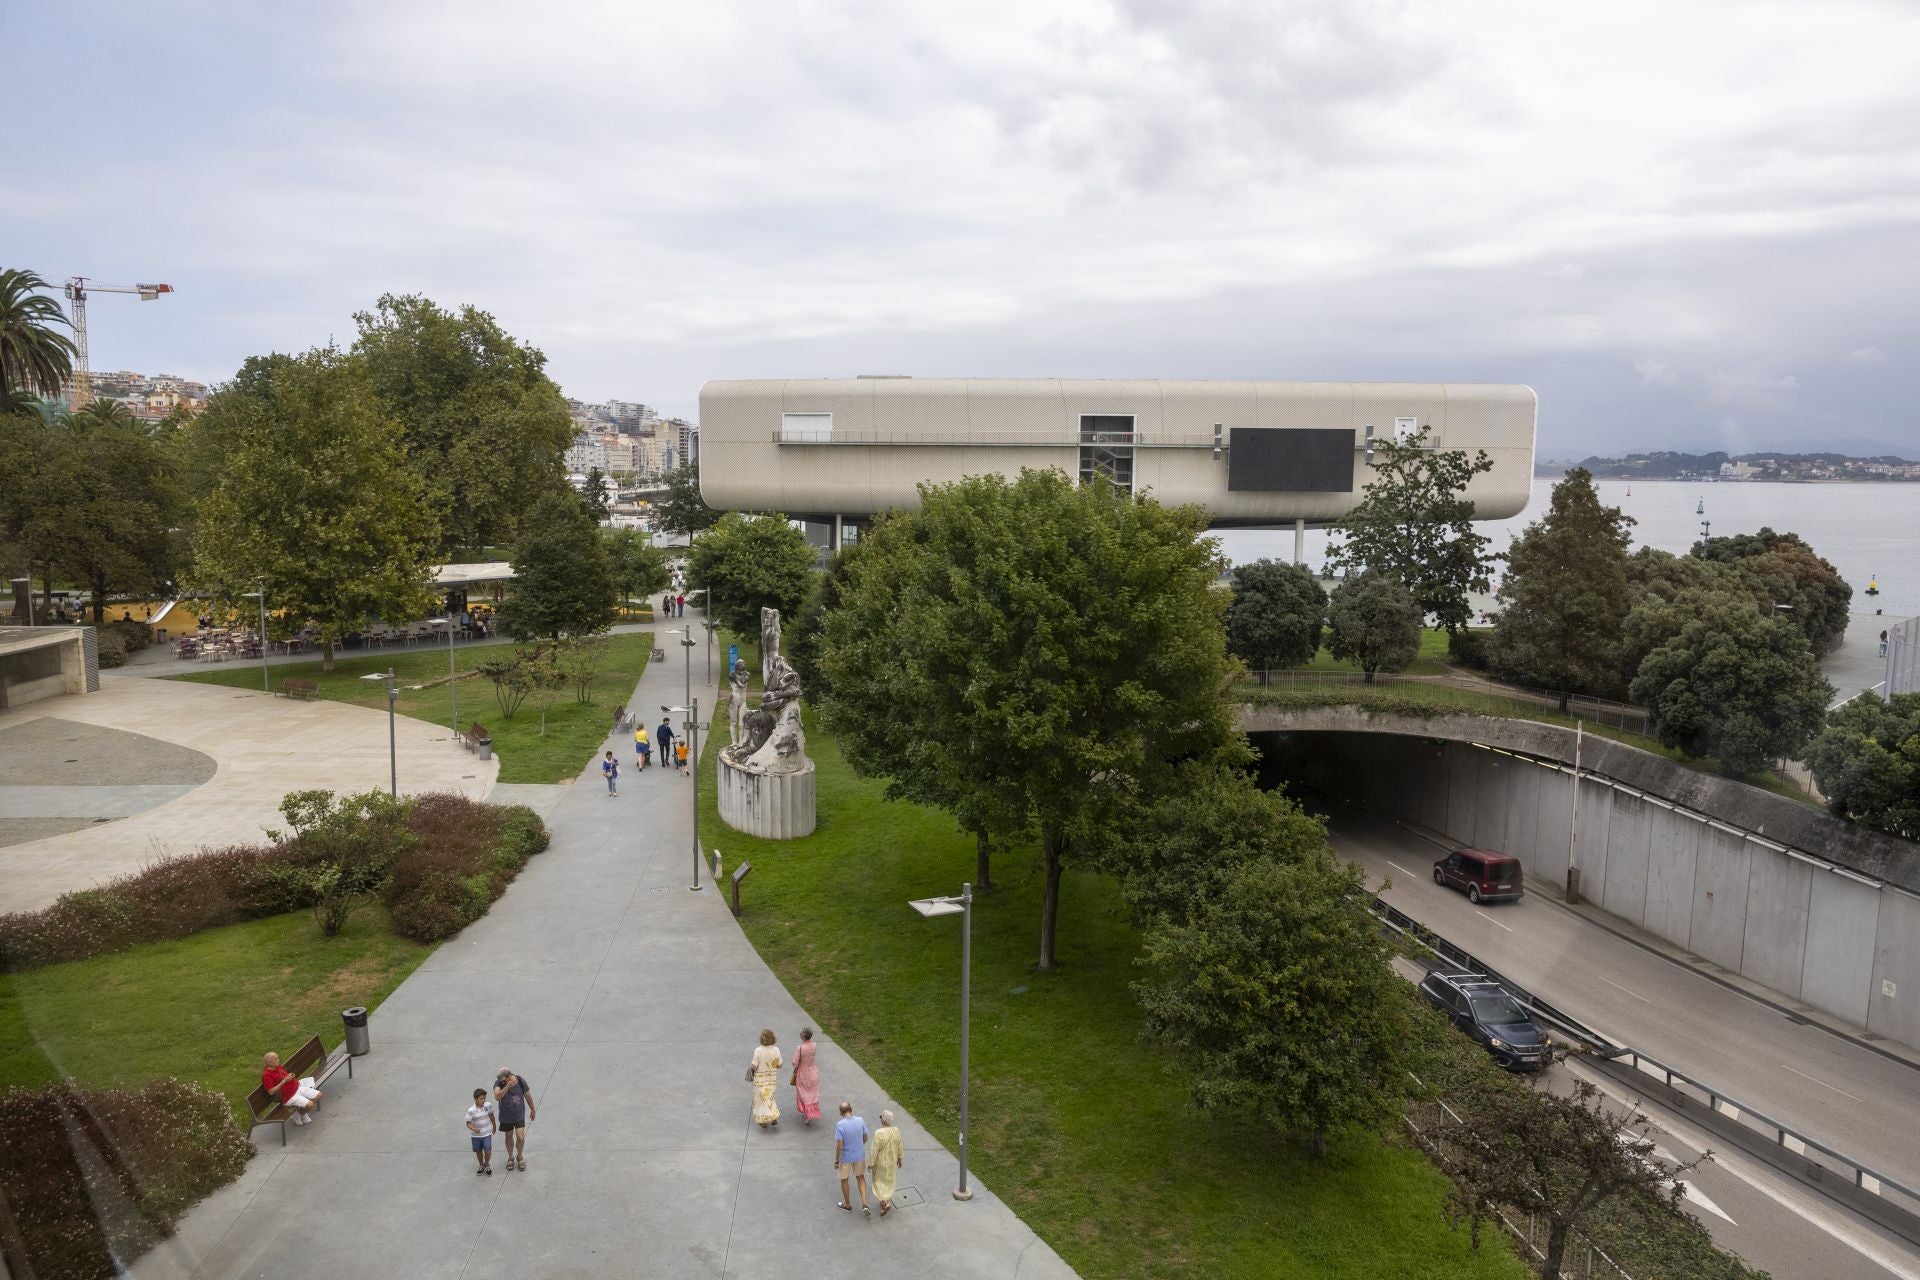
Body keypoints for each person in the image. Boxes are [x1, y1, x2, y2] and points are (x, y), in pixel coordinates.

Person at [261, 1051, 322, 1125]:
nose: (278, 1059)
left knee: (319, 1095)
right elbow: (271, 1092)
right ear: (269, 1062)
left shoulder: (277, 1066)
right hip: (288, 1097)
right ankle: (299, 1114)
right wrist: (284, 1081)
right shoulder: (266, 1075)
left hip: (297, 1088)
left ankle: (300, 1113)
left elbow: (284, 1076)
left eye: (277, 1057)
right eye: (276, 1059)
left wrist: (291, 1076)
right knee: (310, 1105)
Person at [833, 1101, 872, 1216]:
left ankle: (848, 1205)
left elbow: (839, 1146)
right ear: (851, 1110)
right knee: (860, 1177)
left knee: (844, 1180)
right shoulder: (861, 1120)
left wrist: (836, 1160)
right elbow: (865, 1138)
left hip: (846, 1157)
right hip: (859, 1155)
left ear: (841, 1113)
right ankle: (865, 1203)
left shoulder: (840, 1125)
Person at [493, 1068, 535, 1171]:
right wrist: (507, 1086)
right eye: (502, 1081)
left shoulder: (520, 1080)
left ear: (509, 1075)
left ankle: (520, 1156)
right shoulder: (499, 1082)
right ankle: (510, 1157)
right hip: (506, 1116)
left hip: (519, 1115)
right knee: (508, 1136)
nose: (502, 1082)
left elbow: (527, 1095)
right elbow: (497, 1096)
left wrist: (532, 1109)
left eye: (504, 1080)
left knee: (520, 1137)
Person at [869, 1110, 903, 1216]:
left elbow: (874, 1150)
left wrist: (870, 1163)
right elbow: (899, 1145)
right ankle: (886, 1202)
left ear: (882, 1120)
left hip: (880, 1163)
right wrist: (900, 1158)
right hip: (892, 1162)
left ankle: (885, 1202)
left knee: (879, 1182)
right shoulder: (896, 1130)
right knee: (889, 1182)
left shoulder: (878, 1133)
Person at [749, 1029, 783, 1129]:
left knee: (760, 1100)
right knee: (769, 1098)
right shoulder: (776, 1049)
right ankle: (773, 1117)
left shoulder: (758, 1050)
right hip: (771, 1079)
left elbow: (754, 1066)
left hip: (760, 1080)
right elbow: (780, 1065)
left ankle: (763, 1120)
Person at [790, 1027, 821, 1125]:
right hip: (814, 1072)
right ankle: (811, 1112)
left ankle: (807, 1114)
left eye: (801, 1034)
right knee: (812, 1094)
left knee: (803, 1094)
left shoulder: (800, 1048)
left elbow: (794, 1062)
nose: (800, 1035)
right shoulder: (814, 1045)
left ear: (803, 1036)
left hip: (803, 1074)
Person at [466, 1088, 495, 1175]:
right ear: (475, 1099)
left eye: (484, 1098)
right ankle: (481, 1165)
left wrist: (494, 1126)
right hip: (476, 1136)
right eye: (481, 1098)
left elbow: (491, 1115)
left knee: (488, 1150)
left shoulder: (488, 1105)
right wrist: (474, 1129)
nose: (483, 1100)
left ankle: (487, 1164)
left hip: (487, 1133)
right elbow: (468, 1123)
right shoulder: (471, 1110)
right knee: (478, 1151)